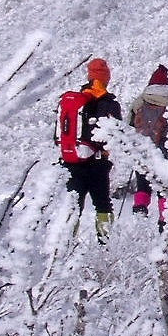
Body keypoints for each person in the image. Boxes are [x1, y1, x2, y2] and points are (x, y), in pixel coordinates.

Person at [56, 57, 122, 240]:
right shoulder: (109, 103)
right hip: (97, 163)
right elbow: (115, 133)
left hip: (72, 160)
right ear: (107, 78)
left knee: (73, 205)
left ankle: (64, 246)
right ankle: (105, 244)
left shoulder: (74, 102)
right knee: (103, 205)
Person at [125, 65, 168, 227]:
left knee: (142, 183)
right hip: (165, 149)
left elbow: (128, 124)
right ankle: (164, 221)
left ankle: (139, 217)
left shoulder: (140, 100)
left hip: (143, 147)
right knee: (164, 186)